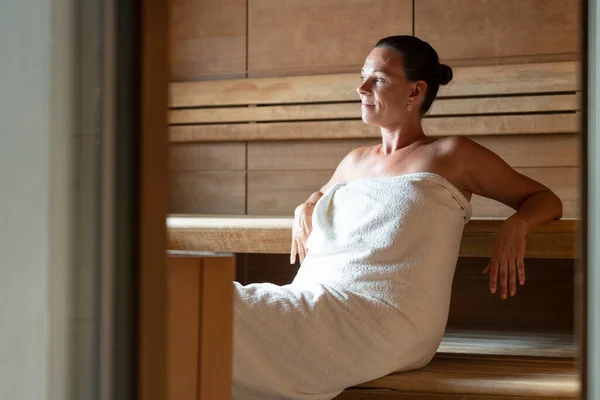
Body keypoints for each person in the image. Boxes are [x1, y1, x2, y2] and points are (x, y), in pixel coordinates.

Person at [233, 35, 563, 400]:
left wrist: (517, 224)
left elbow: (544, 198)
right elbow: (320, 195)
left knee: (210, 310)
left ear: (415, 92)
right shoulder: (354, 161)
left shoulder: (451, 154)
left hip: (382, 318)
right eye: (362, 76)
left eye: (378, 79)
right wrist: (307, 203)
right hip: (315, 300)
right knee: (201, 300)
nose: (361, 87)